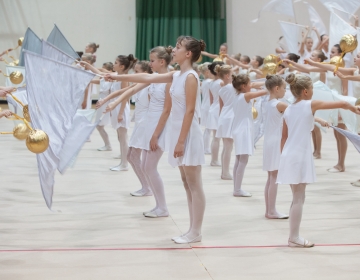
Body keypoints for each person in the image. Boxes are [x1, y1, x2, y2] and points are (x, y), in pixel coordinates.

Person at [104, 36, 206, 244]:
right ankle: (191, 229)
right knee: (187, 184)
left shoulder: (191, 77)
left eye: (178, 48)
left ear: (188, 54)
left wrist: (180, 141)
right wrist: (115, 78)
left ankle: (196, 231)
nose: (174, 50)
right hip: (179, 133)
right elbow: (148, 79)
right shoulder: (177, 75)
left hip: (188, 135)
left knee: (195, 185)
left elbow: (190, 111)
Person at [277, 73, 360, 248]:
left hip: (288, 154)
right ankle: (294, 237)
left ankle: (294, 236)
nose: (314, 92)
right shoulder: (310, 104)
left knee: (297, 198)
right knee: (299, 199)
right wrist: (354, 109)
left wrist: (319, 119)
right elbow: (342, 103)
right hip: (299, 155)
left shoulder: (289, 109)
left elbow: (283, 137)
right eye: (313, 89)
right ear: (306, 91)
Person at [105, 46, 173, 213]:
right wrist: (112, 101)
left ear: (162, 62)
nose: (150, 63)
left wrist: (156, 134)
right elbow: (133, 87)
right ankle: (159, 205)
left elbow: (167, 109)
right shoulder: (156, 78)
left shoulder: (169, 79)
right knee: (145, 165)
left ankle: (162, 206)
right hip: (150, 123)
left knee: (149, 166)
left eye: (152, 60)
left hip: (159, 126)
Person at [81, 54, 137, 171]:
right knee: (120, 136)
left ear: (121, 66)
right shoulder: (115, 75)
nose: (113, 64)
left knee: (123, 137)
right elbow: (99, 73)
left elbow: (124, 98)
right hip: (114, 108)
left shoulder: (124, 78)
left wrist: (121, 113)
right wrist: (87, 65)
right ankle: (123, 158)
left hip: (120, 108)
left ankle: (124, 164)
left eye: (116, 63)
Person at [231, 74, 268, 197]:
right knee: (243, 160)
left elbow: (255, 85)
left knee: (239, 159)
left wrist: (265, 80)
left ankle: (236, 187)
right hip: (243, 130)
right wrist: (272, 84)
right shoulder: (246, 95)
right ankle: (237, 189)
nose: (251, 85)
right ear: (243, 86)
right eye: (249, 83)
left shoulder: (238, 94)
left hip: (239, 128)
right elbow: (264, 92)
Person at [262, 74, 289, 219]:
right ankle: (271, 210)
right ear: (277, 88)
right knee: (274, 177)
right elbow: (298, 112)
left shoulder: (268, 102)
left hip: (269, 141)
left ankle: (269, 209)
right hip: (275, 142)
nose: (285, 91)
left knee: (271, 177)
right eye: (284, 88)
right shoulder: (279, 104)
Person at [214, 64, 235, 180]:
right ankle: (225, 172)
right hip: (229, 117)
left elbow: (221, 107)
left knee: (226, 147)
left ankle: (224, 171)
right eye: (232, 74)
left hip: (223, 117)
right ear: (227, 76)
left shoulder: (222, 89)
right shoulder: (232, 87)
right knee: (228, 147)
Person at [206, 61, 224, 166]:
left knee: (215, 137)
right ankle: (215, 160)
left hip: (213, 108)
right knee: (217, 138)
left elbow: (211, 100)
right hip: (219, 109)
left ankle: (214, 159)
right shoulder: (221, 83)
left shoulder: (211, 83)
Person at [198, 62, 213, 154]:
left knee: (208, 129)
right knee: (208, 128)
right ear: (207, 72)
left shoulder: (204, 82)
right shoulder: (209, 82)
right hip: (208, 106)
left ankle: (205, 147)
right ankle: (205, 148)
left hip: (206, 105)